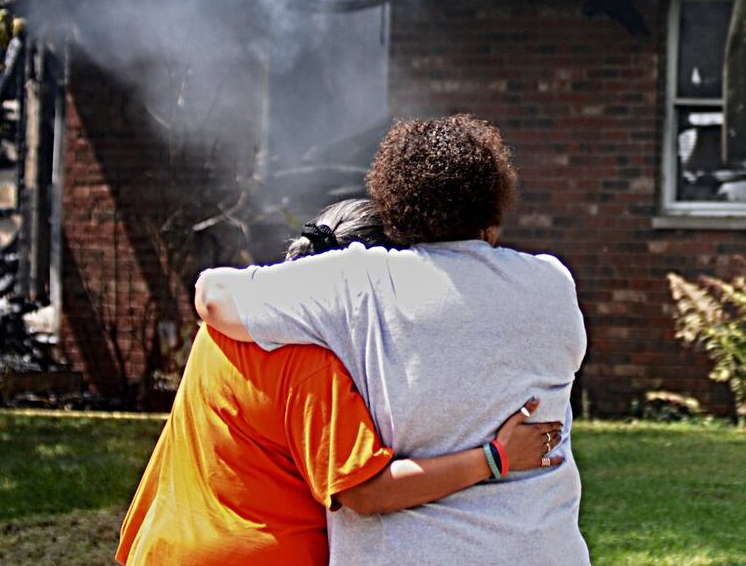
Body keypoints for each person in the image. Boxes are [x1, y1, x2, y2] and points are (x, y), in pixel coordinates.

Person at [195, 114, 589, 565]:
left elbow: (213, 299)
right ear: (494, 206)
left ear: (393, 207)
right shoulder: (553, 283)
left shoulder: (360, 283)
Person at [118, 198, 564, 566]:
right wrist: (494, 457)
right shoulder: (311, 364)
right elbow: (368, 491)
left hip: (160, 544)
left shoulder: (222, 331)